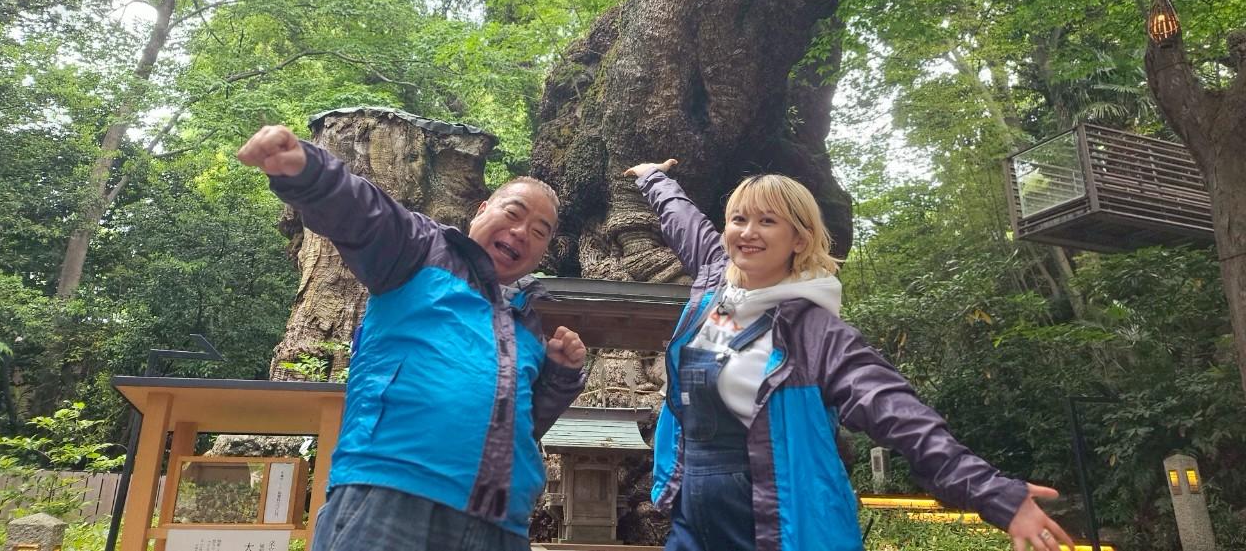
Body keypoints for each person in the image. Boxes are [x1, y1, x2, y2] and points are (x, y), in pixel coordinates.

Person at [623, 159, 1074, 551]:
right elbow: (682, 219)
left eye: (767, 222)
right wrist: (652, 178)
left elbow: (897, 412)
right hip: (692, 505)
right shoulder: (715, 280)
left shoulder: (816, 331)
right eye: (739, 219)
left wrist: (993, 492)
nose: (747, 232)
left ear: (799, 239)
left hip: (774, 516)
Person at [238, 125, 587, 551]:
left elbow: (520, 427)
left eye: (539, 232)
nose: (521, 233)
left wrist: (560, 377)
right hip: (391, 494)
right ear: (481, 210)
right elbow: (366, 215)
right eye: (513, 214)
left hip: (500, 523)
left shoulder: (528, 325)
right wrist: (310, 171)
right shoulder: (421, 250)